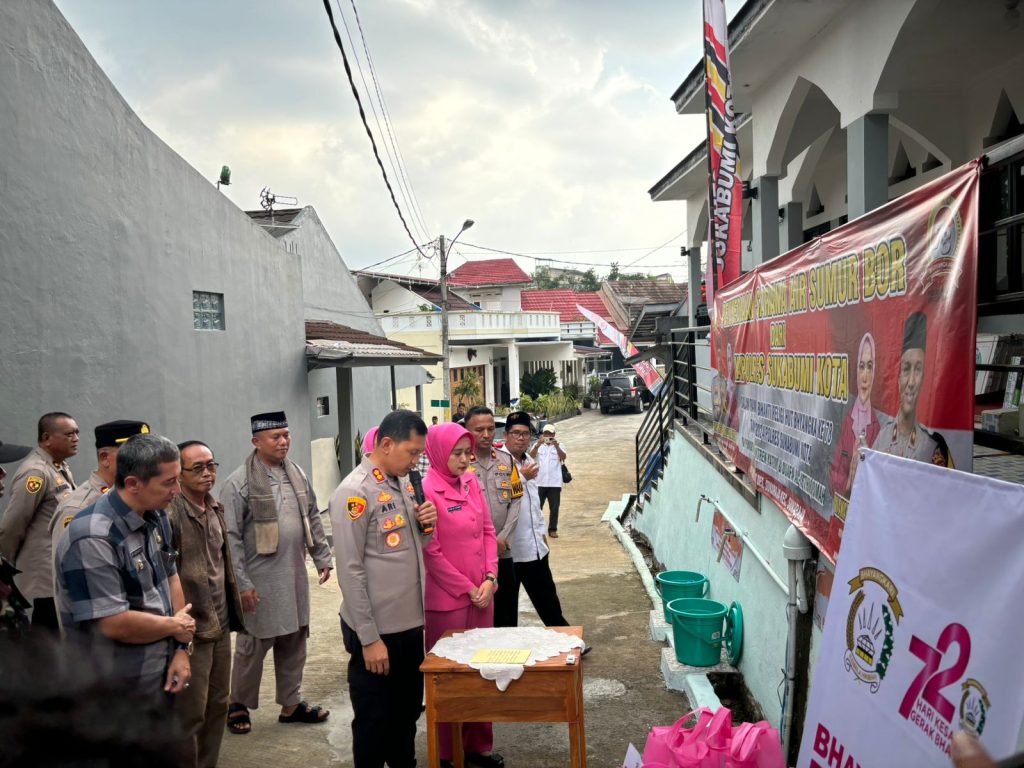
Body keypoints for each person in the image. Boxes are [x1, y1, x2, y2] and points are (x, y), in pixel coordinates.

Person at [329, 409, 438, 768]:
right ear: (387, 444)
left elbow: (411, 548)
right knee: (375, 721)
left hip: (409, 625)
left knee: (406, 715)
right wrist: (369, 638)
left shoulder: (403, 483)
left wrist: (427, 526)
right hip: (378, 632)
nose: (416, 460)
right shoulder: (355, 493)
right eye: (412, 452)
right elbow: (350, 570)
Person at [54, 433, 195, 698]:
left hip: (161, 674)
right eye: (169, 482)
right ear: (133, 483)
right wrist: (178, 627)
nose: (177, 490)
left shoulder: (157, 516)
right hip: (114, 691)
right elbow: (113, 623)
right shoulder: (93, 536)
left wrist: (180, 649)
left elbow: (170, 577)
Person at [220, 411, 333, 734]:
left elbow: (312, 514)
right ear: (256, 441)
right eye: (276, 437)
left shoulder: (295, 472)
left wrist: (322, 557)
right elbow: (230, 539)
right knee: (253, 645)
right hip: (260, 578)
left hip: (295, 573)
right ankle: (238, 703)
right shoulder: (238, 482)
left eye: (286, 435)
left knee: (295, 640)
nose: (284, 442)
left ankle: (291, 704)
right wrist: (242, 583)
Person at [422, 422, 501, 768]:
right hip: (448, 603)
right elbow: (431, 553)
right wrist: (467, 588)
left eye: (467, 453)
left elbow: (487, 531)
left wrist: (490, 577)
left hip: (483, 595)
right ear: (439, 453)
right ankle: (448, 754)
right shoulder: (425, 491)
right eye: (458, 453)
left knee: (482, 672)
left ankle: (478, 747)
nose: (466, 459)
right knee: (450, 679)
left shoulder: (471, 482)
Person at [167, 441, 244, 767]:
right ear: (178, 475)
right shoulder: (171, 515)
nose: (207, 473)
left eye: (211, 465)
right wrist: (179, 635)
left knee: (218, 705)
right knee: (191, 713)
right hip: (192, 629)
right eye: (197, 468)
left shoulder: (214, 507)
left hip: (220, 623)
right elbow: (168, 576)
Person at [0, 412, 79, 629]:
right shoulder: (36, 473)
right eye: (69, 434)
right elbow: (13, 526)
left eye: (77, 433)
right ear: (46, 438)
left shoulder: (59, 468)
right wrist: (6, 572)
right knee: (43, 648)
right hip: (41, 578)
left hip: (57, 574)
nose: (76, 438)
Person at [502, 411, 570, 628]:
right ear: (506, 435)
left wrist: (542, 534)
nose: (521, 438)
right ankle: (506, 651)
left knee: (548, 599)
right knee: (506, 608)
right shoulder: (498, 463)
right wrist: (522, 477)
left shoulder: (530, 459)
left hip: (535, 547)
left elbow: (533, 505)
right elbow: (499, 496)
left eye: (525, 433)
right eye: (516, 433)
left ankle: (563, 637)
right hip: (510, 551)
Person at [51, 420, 150, 557]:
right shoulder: (77, 509)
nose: (146, 460)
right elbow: (67, 569)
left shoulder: (142, 500)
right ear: (105, 458)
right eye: (135, 452)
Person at [872, 312, 953, 467]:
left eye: (917, 370)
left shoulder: (931, 445)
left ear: (924, 379)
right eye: (906, 368)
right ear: (898, 378)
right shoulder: (881, 437)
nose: (910, 382)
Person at [465, 406, 521, 628]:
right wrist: (486, 543)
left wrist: (502, 537)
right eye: (479, 430)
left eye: (490, 429)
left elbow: (516, 501)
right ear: (467, 431)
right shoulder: (460, 464)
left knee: (506, 613)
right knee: (479, 614)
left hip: (503, 551)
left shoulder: (507, 461)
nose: (486, 434)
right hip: (475, 554)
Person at [830, 334, 883, 497]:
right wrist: (847, 484)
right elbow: (833, 474)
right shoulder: (847, 421)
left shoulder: (877, 428)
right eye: (861, 366)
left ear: (875, 373)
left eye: (869, 367)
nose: (865, 377)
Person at [529, 423, 567, 538]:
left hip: (554, 482)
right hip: (539, 482)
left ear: (554, 434)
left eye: (550, 433)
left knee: (554, 507)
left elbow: (563, 457)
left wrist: (557, 446)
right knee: (537, 506)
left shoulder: (560, 445)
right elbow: (530, 457)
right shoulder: (537, 445)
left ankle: (552, 529)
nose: (548, 435)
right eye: (546, 433)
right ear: (543, 434)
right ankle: (537, 529)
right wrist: (537, 445)